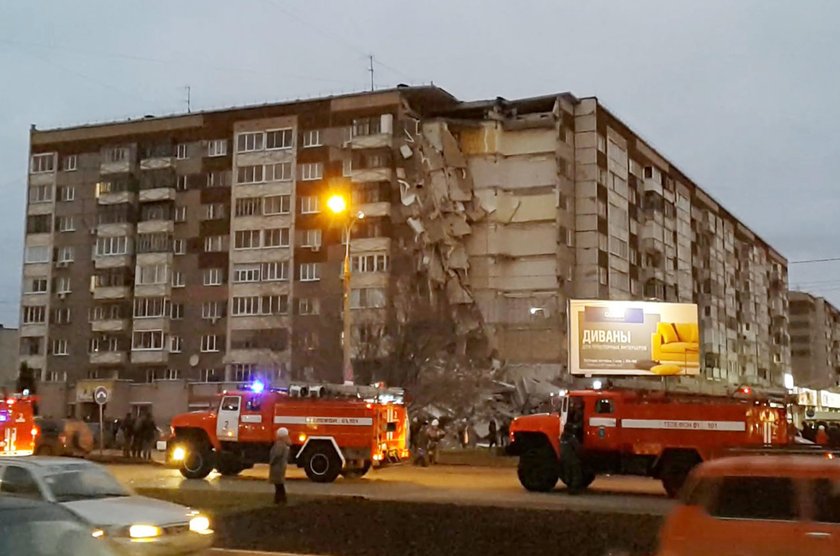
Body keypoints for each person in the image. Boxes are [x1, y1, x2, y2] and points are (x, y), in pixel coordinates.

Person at [269, 428, 290, 504]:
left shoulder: (279, 444)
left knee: (278, 484)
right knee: (279, 484)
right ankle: (280, 499)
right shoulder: (285, 444)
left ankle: (279, 499)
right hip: (281, 466)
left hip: (277, 466)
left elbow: (277, 455)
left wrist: (271, 462)